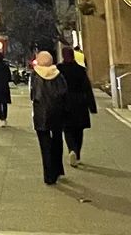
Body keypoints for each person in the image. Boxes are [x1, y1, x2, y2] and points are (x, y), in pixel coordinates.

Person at [30, 50, 67, 185]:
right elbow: (64, 92)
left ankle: (48, 174)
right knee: (57, 140)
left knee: (44, 144)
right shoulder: (58, 75)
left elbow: (34, 94)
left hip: (41, 112)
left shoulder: (35, 74)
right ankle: (57, 169)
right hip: (57, 111)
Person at [59, 44, 96, 165]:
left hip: (64, 103)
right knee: (79, 130)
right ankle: (77, 153)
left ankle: (71, 149)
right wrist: (92, 106)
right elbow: (87, 88)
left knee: (67, 129)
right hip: (80, 103)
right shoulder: (80, 70)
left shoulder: (59, 69)